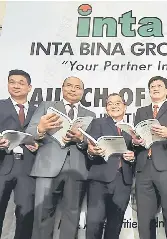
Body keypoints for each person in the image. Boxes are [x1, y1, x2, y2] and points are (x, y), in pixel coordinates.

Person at [26, 76, 96, 239]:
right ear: (62, 88)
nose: (73, 89)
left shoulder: (89, 114)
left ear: (82, 92)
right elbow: (29, 133)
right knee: (42, 214)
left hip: (76, 169)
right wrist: (41, 128)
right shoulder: (46, 106)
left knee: (72, 216)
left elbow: (91, 143)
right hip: (47, 167)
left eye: (77, 87)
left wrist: (80, 139)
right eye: (69, 86)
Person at [131, 76, 167, 239]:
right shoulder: (141, 111)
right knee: (144, 219)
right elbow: (137, 138)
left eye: (159, 85)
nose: (155, 88)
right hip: (143, 167)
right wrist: (135, 141)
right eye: (152, 86)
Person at [85, 93, 135, 239]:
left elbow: (137, 153)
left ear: (125, 107)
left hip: (123, 181)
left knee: (115, 225)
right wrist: (91, 151)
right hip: (100, 179)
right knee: (94, 223)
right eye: (110, 103)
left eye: (118, 103)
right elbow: (89, 148)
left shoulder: (130, 128)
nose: (114, 106)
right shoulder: (98, 123)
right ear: (106, 108)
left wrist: (133, 157)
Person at [0, 69, 38, 239]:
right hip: (3, 165)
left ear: (29, 87)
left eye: (21, 83)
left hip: (28, 169)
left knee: (26, 215)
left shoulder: (38, 111)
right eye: (12, 82)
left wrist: (38, 145)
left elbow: (44, 137)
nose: (16, 86)